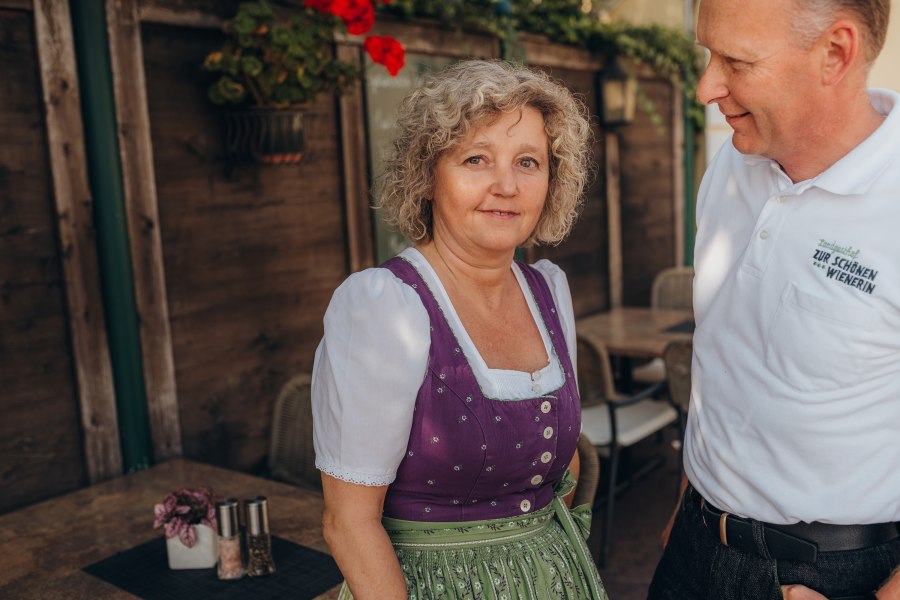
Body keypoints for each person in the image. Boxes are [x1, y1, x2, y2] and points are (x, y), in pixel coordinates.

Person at [311, 60, 606, 599]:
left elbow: (566, 465)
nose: (506, 185)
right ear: (428, 175)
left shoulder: (548, 291)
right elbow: (348, 523)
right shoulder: (384, 308)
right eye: (476, 159)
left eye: (528, 162)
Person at [649, 0, 900, 599]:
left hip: (834, 576)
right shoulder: (729, 166)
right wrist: (695, 499)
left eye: (736, 61)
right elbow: (729, 359)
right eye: (708, 54)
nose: (708, 85)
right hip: (694, 542)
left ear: (834, 53)